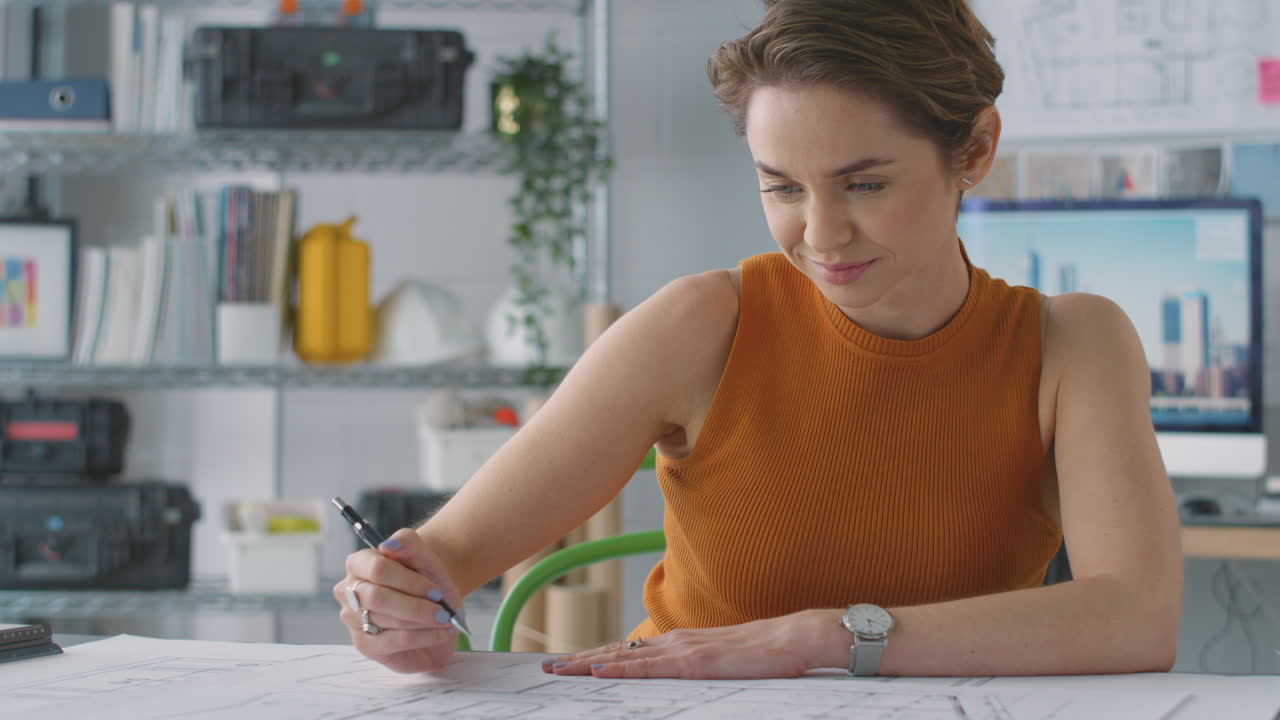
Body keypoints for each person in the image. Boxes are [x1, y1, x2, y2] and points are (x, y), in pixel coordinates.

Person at [334, 0, 1182, 679]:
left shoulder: (1073, 344)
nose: (821, 234)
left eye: (865, 184)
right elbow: (439, 564)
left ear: (975, 149)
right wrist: (393, 604)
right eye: (781, 187)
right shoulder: (699, 325)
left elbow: (1136, 616)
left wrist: (815, 639)